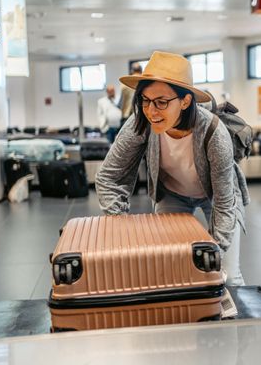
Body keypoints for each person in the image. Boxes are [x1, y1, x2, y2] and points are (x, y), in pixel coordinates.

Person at [95, 51, 249, 286]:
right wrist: (119, 224)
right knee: (167, 271)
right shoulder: (141, 122)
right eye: (145, 100)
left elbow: (225, 203)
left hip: (216, 197)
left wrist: (214, 254)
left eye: (161, 102)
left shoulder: (214, 132)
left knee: (226, 275)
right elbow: (108, 176)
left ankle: (233, 322)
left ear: (186, 101)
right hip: (173, 195)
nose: (151, 111)